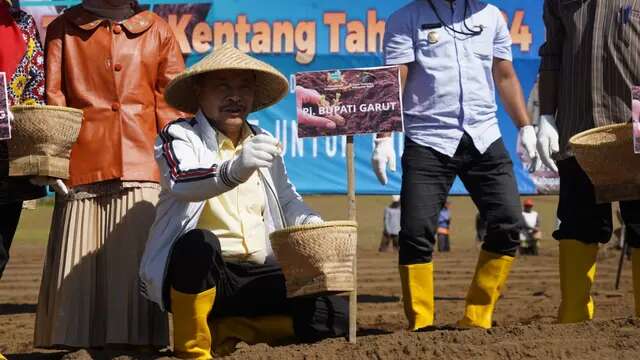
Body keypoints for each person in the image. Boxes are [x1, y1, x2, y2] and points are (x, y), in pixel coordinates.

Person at [138, 44, 348, 359]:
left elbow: (287, 198)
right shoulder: (179, 135)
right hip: (206, 274)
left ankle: (234, 329)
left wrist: (308, 220)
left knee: (335, 312)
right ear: (199, 90)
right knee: (198, 244)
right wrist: (234, 169)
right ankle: (193, 349)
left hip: (258, 271)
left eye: (244, 87)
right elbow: (182, 181)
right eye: (223, 86)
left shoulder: (262, 141)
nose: (235, 96)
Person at [372, 0, 535, 330]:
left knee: (508, 223)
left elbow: (504, 75)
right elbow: (395, 80)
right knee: (416, 232)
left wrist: (525, 126)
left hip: (484, 135)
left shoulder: (491, 16)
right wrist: (383, 137)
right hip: (427, 139)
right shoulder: (405, 18)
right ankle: (421, 324)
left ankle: (477, 316)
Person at [34, 0, 186, 349]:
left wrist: (179, 160)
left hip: (142, 163)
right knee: (76, 270)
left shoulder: (158, 29)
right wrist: (53, 157)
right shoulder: (63, 28)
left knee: (134, 264)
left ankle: (136, 342)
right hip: (81, 164)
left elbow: (171, 102)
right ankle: (71, 342)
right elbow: (53, 98)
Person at [537, 0, 640, 322]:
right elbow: (552, 55)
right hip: (577, 130)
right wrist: (545, 116)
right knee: (576, 223)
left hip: (633, 127)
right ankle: (573, 316)